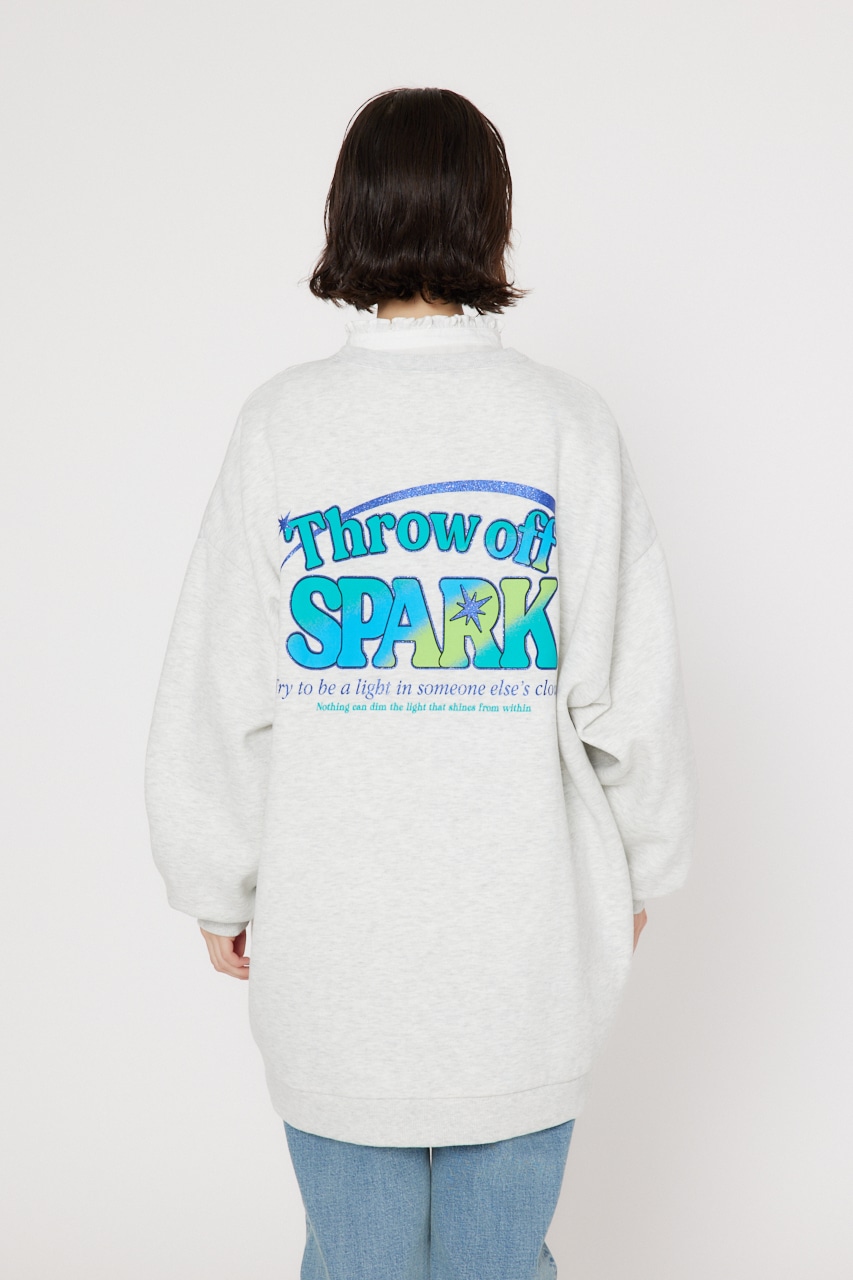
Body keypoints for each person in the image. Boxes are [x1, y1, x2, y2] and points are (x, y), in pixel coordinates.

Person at [144, 86, 699, 1280]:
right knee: (501, 1261)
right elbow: (627, 684)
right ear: (491, 217)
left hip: (333, 946)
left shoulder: (285, 423)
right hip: (525, 942)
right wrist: (642, 865)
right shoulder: (563, 422)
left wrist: (212, 877)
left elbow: (220, 682)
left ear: (347, 213)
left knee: (354, 1260)